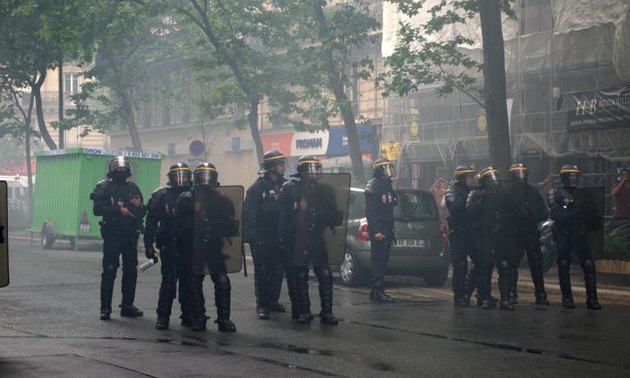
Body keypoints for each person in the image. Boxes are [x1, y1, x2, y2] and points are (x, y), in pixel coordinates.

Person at [278, 155, 342, 324]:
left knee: (325, 273)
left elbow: (333, 214)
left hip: (317, 237)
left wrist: (322, 216)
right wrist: (285, 237)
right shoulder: (290, 188)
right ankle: (304, 311)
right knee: (300, 274)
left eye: (315, 168)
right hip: (297, 237)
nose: (313, 173)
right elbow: (283, 217)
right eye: (309, 169)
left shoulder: (324, 190)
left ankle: (326, 312)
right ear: (302, 171)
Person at [177, 163, 238, 331]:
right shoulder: (187, 198)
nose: (205, 180)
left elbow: (231, 226)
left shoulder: (222, 199)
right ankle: (198, 317)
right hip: (194, 246)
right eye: (202, 176)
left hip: (215, 245)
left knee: (222, 280)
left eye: (208, 176)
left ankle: (224, 319)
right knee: (194, 280)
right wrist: (194, 213)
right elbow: (179, 225)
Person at [90, 156, 146, 320]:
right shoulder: (104, 187)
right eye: (118, 169)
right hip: (113, 234)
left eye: (124, 169)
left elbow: (142, 210)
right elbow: (97, 209)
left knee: (131, 271)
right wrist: (117, 210)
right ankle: (105, 308)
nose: (121, 172)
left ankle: (127, 305)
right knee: (109, 270)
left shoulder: (133, 188)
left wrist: (140, 206)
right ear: (112, 171)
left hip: (130, 235)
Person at [144, 163, 193, 329]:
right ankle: (163, 316)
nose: (181, 179)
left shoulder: (194, 194)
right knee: (169, 281)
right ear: (170, 178)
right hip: (168, 244)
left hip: (188, 245)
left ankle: (188, 315)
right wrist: (148, 245)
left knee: (188, 282)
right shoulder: (162, 196)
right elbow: (151, 222)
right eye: (177, 176)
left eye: (184, 176)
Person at [243, 150, 290, 319]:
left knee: (278, 271)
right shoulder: (256, 189)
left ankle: (272, 300)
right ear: (271, 167)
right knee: (263, 272)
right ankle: (262, 304)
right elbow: (250, 215)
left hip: (279, 237)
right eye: (280, 163)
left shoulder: (286, 186)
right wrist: (254, 240)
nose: (283, 166)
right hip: (263, 238)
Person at [548, 165, 602, 310]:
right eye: (569, 176)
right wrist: (574, 216)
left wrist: (589, 220)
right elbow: (555, 215)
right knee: (564, 264)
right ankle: (567, 298)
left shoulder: (583, 194)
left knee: (589, 265)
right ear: (563, 178)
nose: (572, 179)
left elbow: (594, 214)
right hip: (565, 233)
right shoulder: (557, 194)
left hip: (581, 234)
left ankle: (592, 299)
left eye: (574, 176)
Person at [467, 167, 519, 310]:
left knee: (504, 266)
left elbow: (513, 211)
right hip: (484, 236)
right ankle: (483, 297)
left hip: (501, 235)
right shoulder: (476, 194)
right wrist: (485, 198)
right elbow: (471, 213)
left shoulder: (503, 193)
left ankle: (506, 299)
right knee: (485, 267)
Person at [508, 163, 550, 305]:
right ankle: (512, 293)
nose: (521, 177)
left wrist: (531, 215)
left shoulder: (532, 192)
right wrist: (515, 215)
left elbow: (544, 212)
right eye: (518, 174)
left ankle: (540, 294)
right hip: (514, 232)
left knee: (536, 264)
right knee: (512, 264)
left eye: (522, 173)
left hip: (530, 231)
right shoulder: (507, 192)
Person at [364, 158, 398, 303]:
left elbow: (391, 202)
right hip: (380, 228)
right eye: (387, 167)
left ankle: (377, 290)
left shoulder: (387, 184)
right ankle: (377, 290)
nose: (390, 170)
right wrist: (376, 229)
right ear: (380, 169)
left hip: (387, 227)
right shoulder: (374, 184)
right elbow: (371, 211)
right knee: (378, 260)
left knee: (383, 260)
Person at [445, 165, 476, 307]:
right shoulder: (453, 190)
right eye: (470, 177)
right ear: (462, 178)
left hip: (473, 231)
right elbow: (453, 208)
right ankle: (459, 295)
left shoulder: (473, 190)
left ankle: (470, 292)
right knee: (460, 265)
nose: (472, 179)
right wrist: (468, 197)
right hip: (459, 232)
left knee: (481, 262)